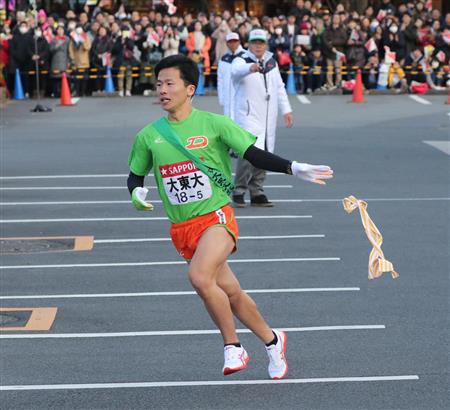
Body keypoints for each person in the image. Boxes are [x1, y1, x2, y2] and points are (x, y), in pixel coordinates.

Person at [127, 54, 333, 379]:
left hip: (216, 219)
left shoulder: (214, 124)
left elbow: (253, 154)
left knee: (199, 278)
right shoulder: (148, 135)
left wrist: (293, 167)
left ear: (189, 88)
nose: (162, 90)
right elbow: (135, 174)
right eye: (159, 84)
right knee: (232, 293)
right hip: (182, 228)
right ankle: (273, 339)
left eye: (170, 83)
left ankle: (232, 345)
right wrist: (136, 193)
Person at [231, 29, 293, 208]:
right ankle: (239, 191)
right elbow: (235, 71)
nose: (258, 46)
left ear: (266, 44)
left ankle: (257, 191)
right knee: (249, 154)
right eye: (255, 42)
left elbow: (280, 87)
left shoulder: (271, 62)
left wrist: (286, 110)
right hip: (248, 116)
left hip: (267, 117)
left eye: (261, 42)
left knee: (265, 153)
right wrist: (249, 68)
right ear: (249, 44)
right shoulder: (242, 59)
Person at [217, 32, 245, 119]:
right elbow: (220, 79)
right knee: (229, 123)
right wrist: (221, 96)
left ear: (239, 42)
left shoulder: (246, 56)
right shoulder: (224, 58)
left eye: (235, 41)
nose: (233, 44)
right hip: (228, 97)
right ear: (227, 43)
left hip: (242, 96)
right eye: (230, 41)